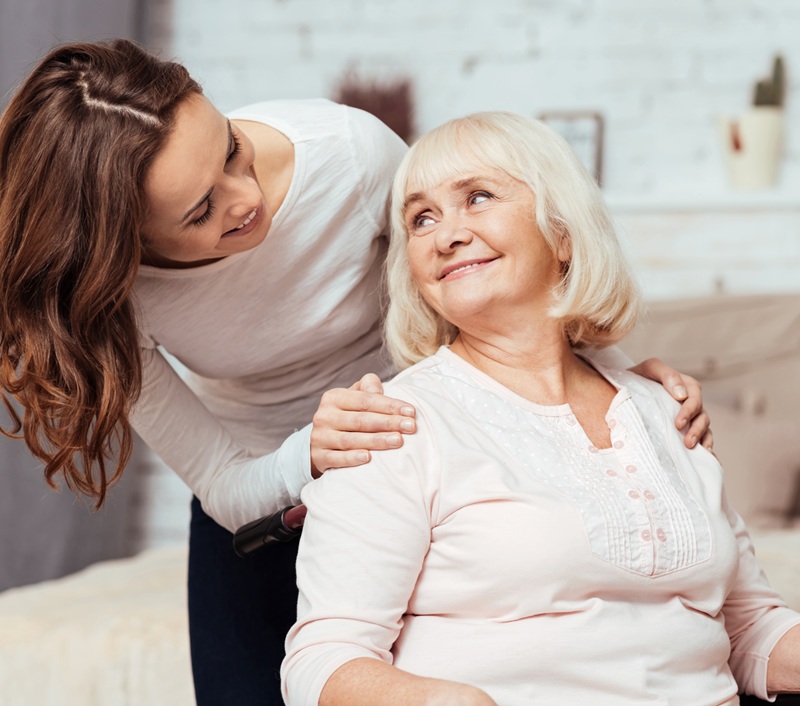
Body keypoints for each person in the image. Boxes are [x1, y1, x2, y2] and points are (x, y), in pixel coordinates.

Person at [0, 40, 710, 705]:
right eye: (201, 211)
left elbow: (473, 285)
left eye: (232, 149)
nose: (245, 197)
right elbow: (222, 482)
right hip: (260, 496)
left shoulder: (347, 153)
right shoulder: (104, 303)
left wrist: (616, 387)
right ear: (123, 246)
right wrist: (308, 450)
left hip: (413, 464)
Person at [281, 111, 800, 706]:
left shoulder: (663, 409)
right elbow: (322, 663)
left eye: (477, 198)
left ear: (562, 232)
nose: (444, 234)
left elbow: (749, 625)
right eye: (421, 218)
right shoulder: (390, 423)